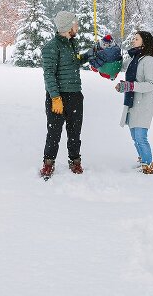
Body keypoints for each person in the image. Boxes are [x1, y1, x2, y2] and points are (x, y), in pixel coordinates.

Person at [39, 10, 92, 179]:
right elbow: (49, 74)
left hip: (75, 95)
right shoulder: (51, 47)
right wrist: (55, 97)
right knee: (54, 133)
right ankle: (48, 163)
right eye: (75, 24)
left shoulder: (71, 44)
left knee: (75, 132)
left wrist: (90, 54)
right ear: (67, 27)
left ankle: (75, 161)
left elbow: (75, 61)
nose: (77, 26)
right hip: (58, 97)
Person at [115, 31, 153, 174]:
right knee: (135, 136)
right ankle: (142, 160)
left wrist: (130, 86)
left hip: (144, 103)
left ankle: (148, 164)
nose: (133, 40)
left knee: (141, 136)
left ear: (144, 42)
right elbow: (120, 66)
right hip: (133, 102)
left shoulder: (149, 61)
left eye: (136, 39)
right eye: (133, 38)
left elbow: (151, 85)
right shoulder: (134, 59)